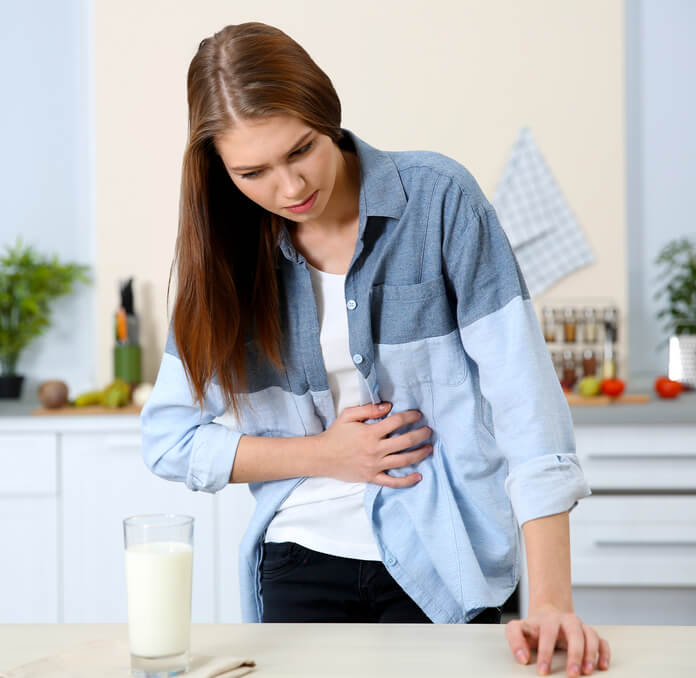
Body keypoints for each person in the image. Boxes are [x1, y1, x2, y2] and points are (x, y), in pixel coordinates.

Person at [142, 21, 611, 677]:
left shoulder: (440, 200)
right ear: (220, 169)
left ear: (325, 113)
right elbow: (169, 438)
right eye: (252, 171)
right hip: (300, 560)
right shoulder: (220, 259)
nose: (288, 187)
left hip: (452, 558)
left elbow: (526, 402)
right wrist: (325, 454)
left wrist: (553, 599)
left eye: (300, 149)